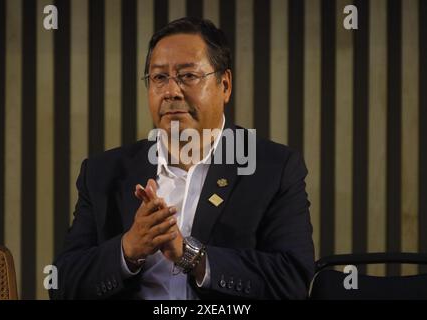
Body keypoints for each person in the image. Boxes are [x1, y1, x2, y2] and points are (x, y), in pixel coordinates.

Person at [50, 17, 314, 300]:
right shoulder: (103, 173)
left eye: (188, 76)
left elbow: (293, 281)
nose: (171, 91)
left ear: (224, 85)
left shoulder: (273, 169)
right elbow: (61, 284)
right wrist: (128, 249)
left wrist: (191, 256)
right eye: (159, 78)